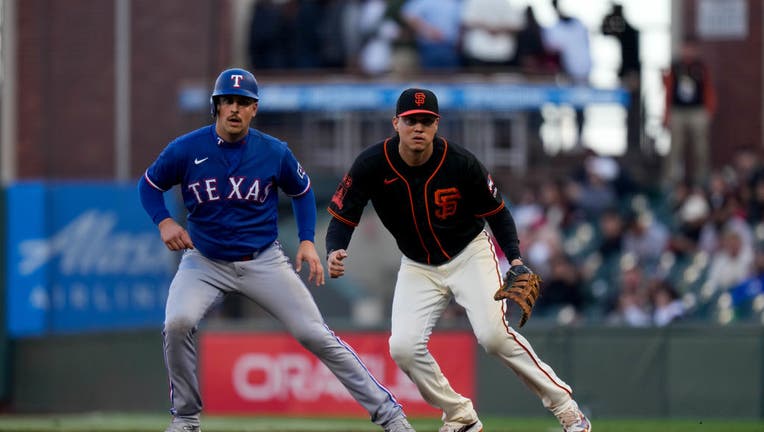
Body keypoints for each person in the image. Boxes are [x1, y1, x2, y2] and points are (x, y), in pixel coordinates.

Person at [138, 68, 415, 432]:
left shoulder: (273, 151)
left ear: (254, 110)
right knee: (177, 323)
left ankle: (390, 415)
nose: (235, 109)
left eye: (244, 103)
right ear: (216, 107)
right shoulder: (187, 149)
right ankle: (186, 419)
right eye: (228, 102)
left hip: (262, 260)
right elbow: (148, 185)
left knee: (315, 334)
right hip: (204, 260)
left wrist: (304, 240)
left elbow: (301, 193)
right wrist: (164, 221)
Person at [325, 88, 592, 432]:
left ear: (437, 126)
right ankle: (460, 416)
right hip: (418, 265)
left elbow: (498, 213)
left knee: (494, 337)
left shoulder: (460, 162)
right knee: (403, 348)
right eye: (411, 120)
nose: (418, 127)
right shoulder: (372, 163)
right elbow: (344, 214)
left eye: (426, 121)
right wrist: (335, 248)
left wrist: (514, 259)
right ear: (396, 123)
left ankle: (567, 409)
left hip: (469, 253)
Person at [662, 36, 717, 187]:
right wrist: (666, 115)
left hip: (697, 111)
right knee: (676, 146)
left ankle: (702, 178)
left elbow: (709, 90)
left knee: (701, 146)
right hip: (678, 111)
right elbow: (668, 92)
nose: (688, 52)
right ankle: (671, 179)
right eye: (686, 48)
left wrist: (709, 111)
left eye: (692, 49)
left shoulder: (701, 67)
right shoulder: (675, 67)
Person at [600, 2, 642, 156]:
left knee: (633, 114)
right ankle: (631, 145)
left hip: (632, 76)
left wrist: (612, 16)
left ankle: (633, 147)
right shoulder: (625, 31)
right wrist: (609, 17)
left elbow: (607, 31)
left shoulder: (630, 31)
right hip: (627, 75)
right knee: (628, 113)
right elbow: (605, 31)